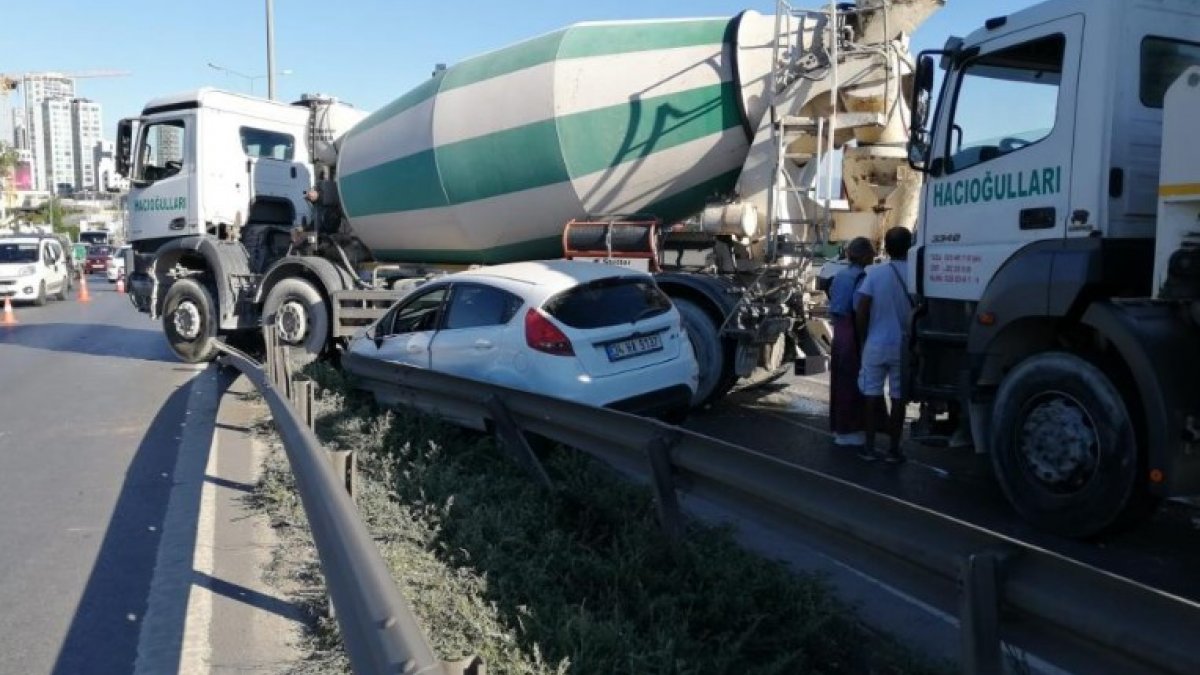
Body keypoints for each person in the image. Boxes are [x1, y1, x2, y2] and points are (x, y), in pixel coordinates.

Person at [855, 227, 914, 463]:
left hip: (876, 343)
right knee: (899, 397)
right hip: (903, 346)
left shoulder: (874, 274)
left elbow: (862, 309)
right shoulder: (916, 275)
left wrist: (863, 337)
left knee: (871, 394)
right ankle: (894, 449)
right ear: (910, 247)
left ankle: (869, 447)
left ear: (886, 248)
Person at [827, 237, 875, 449]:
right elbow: (859, 308)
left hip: (839, 329)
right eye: (871, 253)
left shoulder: (840, 275)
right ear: (864, 256)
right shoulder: (861, 277)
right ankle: (849, 430)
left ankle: (838, 427)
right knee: (852, 381)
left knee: (839, 379)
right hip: (852, 329)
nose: (873, 256)